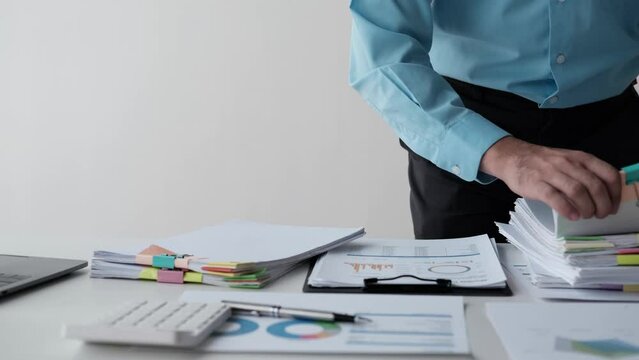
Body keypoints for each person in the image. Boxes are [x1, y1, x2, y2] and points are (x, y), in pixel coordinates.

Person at [348, 0, 639, 241]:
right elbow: (382, 51)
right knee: (466, 302)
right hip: (465, 138)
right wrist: (505, 155)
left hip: (613, 134)